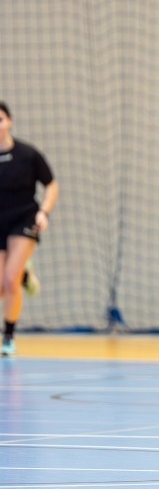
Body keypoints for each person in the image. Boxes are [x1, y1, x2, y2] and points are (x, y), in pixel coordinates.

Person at [0, 101, 59, 357]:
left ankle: (8, 337)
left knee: (10, 278)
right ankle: (25, 274)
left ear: (10, 121)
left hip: (24, 219)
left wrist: (43, 212)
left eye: (0, 120)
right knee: (2, 286)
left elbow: (51, 185)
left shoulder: (28, 154)